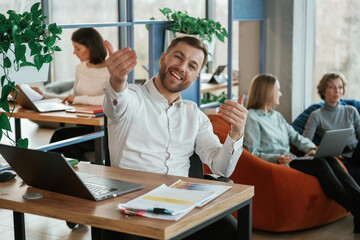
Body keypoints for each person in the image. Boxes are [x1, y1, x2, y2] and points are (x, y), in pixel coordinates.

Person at [102, 36, 247, 239]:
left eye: (191, 66)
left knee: (233, 233)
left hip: (184, 209)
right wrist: (117, 79)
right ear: (163, 58)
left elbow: (221, 168)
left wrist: (236, 132)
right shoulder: (132, 98)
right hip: (135, 210)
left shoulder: (195, 115)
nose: (181, 67)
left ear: (195, 76)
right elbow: (116, 99)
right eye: (178, 57)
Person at [243, 73, 360, 233]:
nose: (280, 93)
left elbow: (296, 137)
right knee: (320, 164)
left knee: (329, 160)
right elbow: (253, 152)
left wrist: (312, 148)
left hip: (291, 159)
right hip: (278, 162)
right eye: (278, 89)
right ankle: (357, 209)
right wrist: (277, 158)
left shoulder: (276, 116)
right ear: (267, 91)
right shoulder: (251, 117)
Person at [49, 28, 109, 160]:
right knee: (64, 144)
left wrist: (79, 99)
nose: (74, 53)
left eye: (77, 48)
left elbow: (107, 99)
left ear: (91, 47)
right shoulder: (80, 68)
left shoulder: (111, 69)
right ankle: (58, 176)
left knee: (60, 137)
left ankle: (50, 175)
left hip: (104, 129)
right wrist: (43, 95)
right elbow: (73, 98)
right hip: (83, 124)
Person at [303, 72, 360, 185]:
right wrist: (323, 152)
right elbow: (305, 141)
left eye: (340, 87)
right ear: (323, 91)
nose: (337, 91)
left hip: (356, 154)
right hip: (337, 159)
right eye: (331, 87)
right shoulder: (316, 115)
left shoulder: (351, 110)